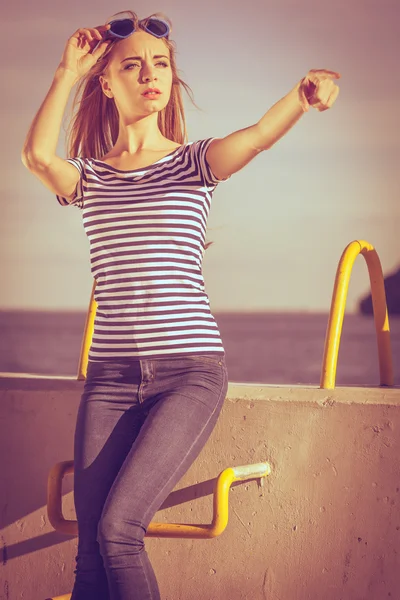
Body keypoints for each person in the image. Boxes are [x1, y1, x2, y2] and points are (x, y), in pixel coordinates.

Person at [21, 10, 340, 600]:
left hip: (188, 374)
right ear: (106, 82)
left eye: (161, 64)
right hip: (110, 379)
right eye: (132, 65)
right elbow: (38, 158)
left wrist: (301, 95)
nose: (150, 75)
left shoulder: (193, 163)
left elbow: (260, 136)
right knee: (88, 552)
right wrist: (67, 71)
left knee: (119, 530)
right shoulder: (91, 177)